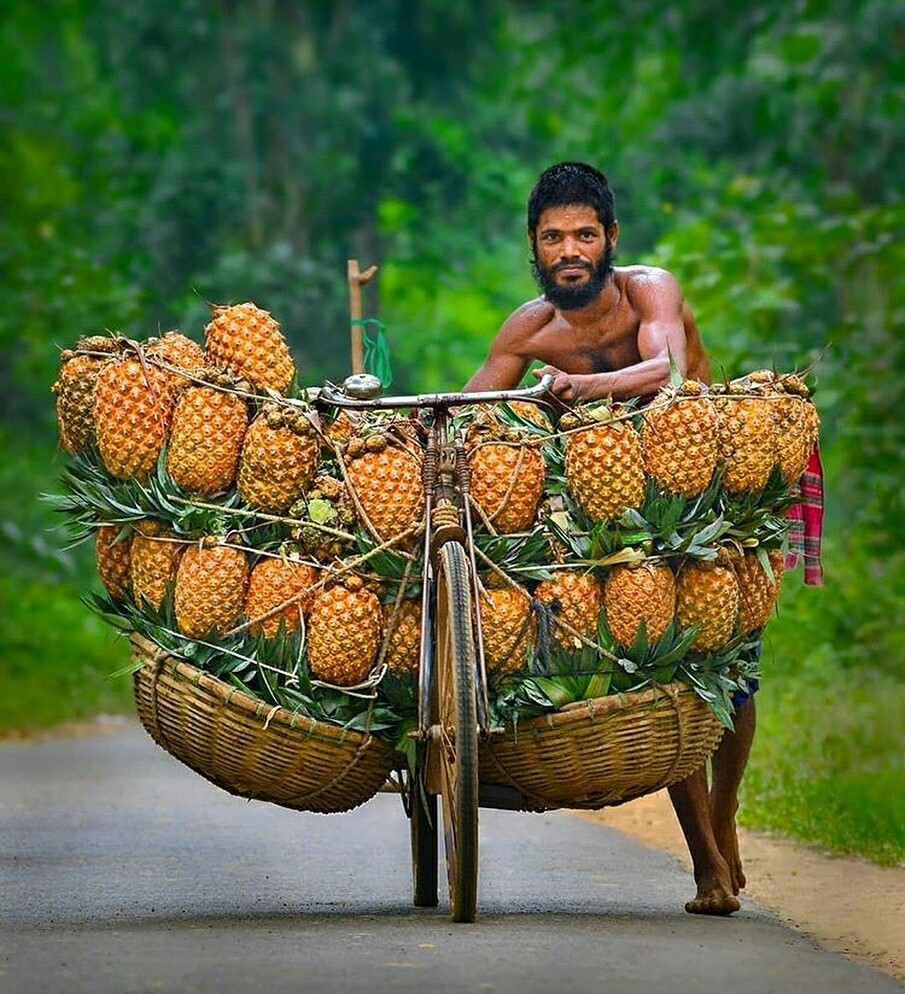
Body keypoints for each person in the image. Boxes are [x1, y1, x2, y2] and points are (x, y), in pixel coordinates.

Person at [465, 161, 748, 915]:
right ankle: (705, 864)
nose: (569, 250)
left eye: (583, 235)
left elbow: (671, 370)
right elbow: (465, 408)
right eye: (552, 236)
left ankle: (722, 820)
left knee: (733, 665)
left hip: (694, 485)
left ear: (610, 238)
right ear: (532, 245)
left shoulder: (648, 291)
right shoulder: (529, 329)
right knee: (652, 656)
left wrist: (583, 389)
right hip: (604, 499)